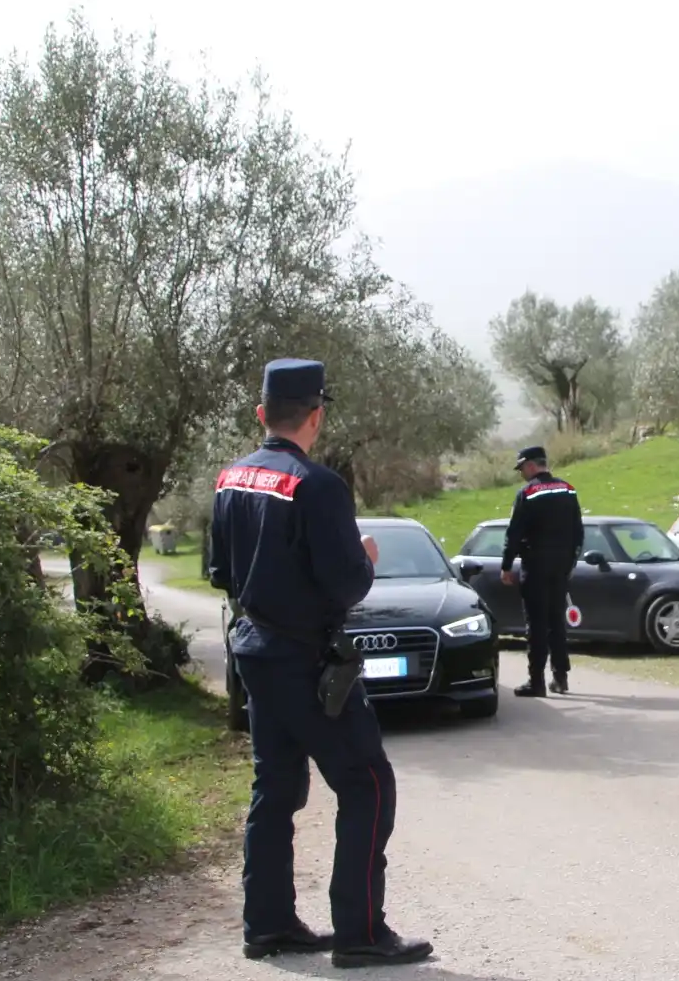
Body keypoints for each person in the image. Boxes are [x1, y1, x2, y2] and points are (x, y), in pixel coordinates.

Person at [208, 357, 433, 969]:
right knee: (368, 785)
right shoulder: (319, 485)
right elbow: (345, 586)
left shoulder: (230, 479)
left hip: (253, 650)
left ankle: (270, 926)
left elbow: (219, 573)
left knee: (275, 789)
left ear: (262, 415)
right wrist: (364, 558)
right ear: (317, 415)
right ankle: (360, 932)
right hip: (305, 658)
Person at [499, 444, 585, 697]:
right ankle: (561, 677)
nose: (521, 473)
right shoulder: (567, 489)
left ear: (531, 465)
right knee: (556, 622)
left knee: (536, 624)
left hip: (535, 566)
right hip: (560, 568)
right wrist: (570, 563)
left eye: (522, 468)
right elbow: (578, 531)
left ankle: (536, 681)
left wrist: (506, 566)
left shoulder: (528, 492)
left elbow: (514, 534)